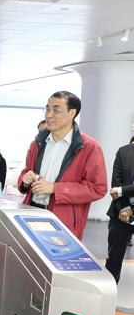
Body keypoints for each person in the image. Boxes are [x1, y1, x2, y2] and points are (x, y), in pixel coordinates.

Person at [18, 91, 107, 240]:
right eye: (47, 109)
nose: (49, 115)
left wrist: (55, 188)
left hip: (63, 219)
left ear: (72, 113)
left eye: (56, 110)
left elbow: (97, 188)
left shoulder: (89, 147)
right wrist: (25, 180)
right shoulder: (37, 143)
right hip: (31, 212)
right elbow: (26, 171)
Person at [105, 140, 134, 282]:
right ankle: (109, 294)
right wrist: (125, 207)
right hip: (120, 213)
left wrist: (122, 191)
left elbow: (118, 190)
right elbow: (116, 182)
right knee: (114, 259)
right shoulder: (123, 151)